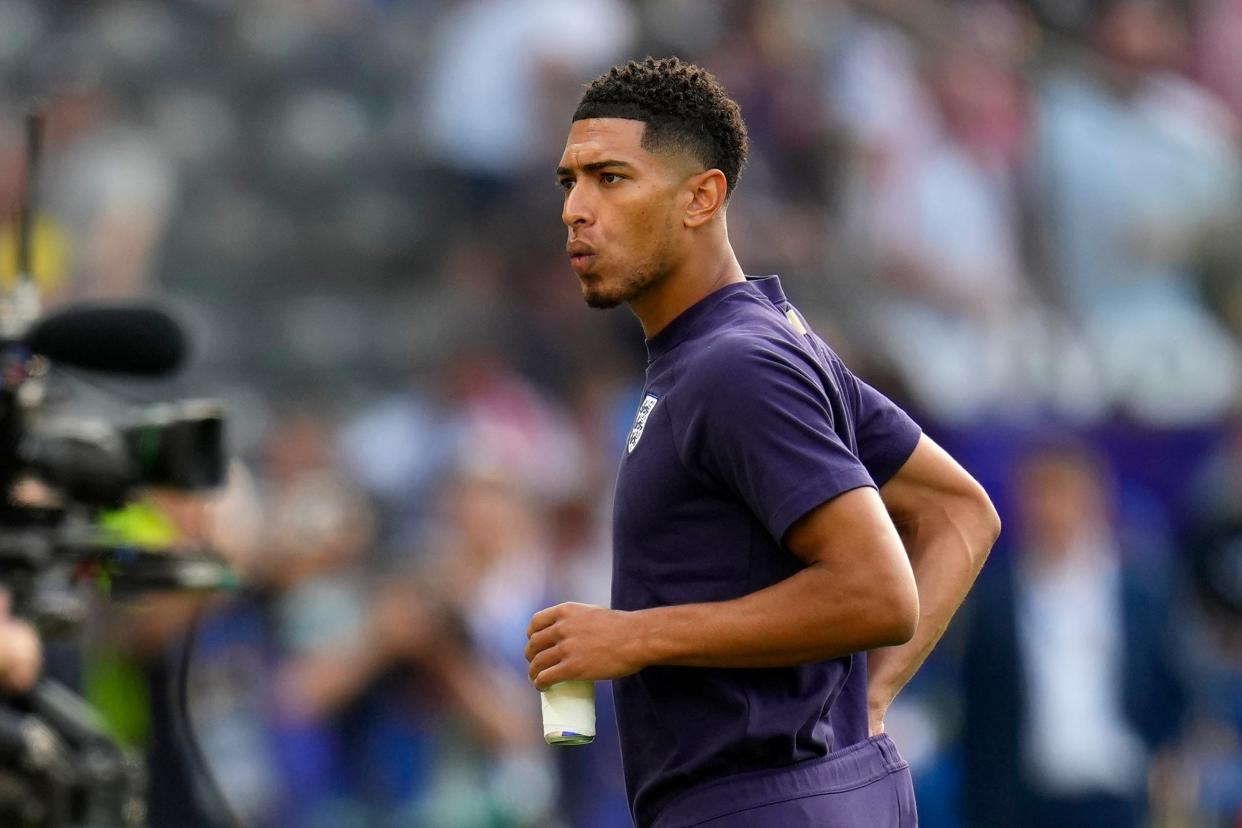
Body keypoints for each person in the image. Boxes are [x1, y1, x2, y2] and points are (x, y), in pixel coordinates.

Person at [524, 57, 1000, 828]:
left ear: (702, 197)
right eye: (569, 182)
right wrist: (863, 703)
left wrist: (635, 636)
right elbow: (956, 511)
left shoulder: (735, 366)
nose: (577, 209)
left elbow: (879, 591)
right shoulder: (756, 343)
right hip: (798, 791)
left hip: (763, 800)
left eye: (610, 179)